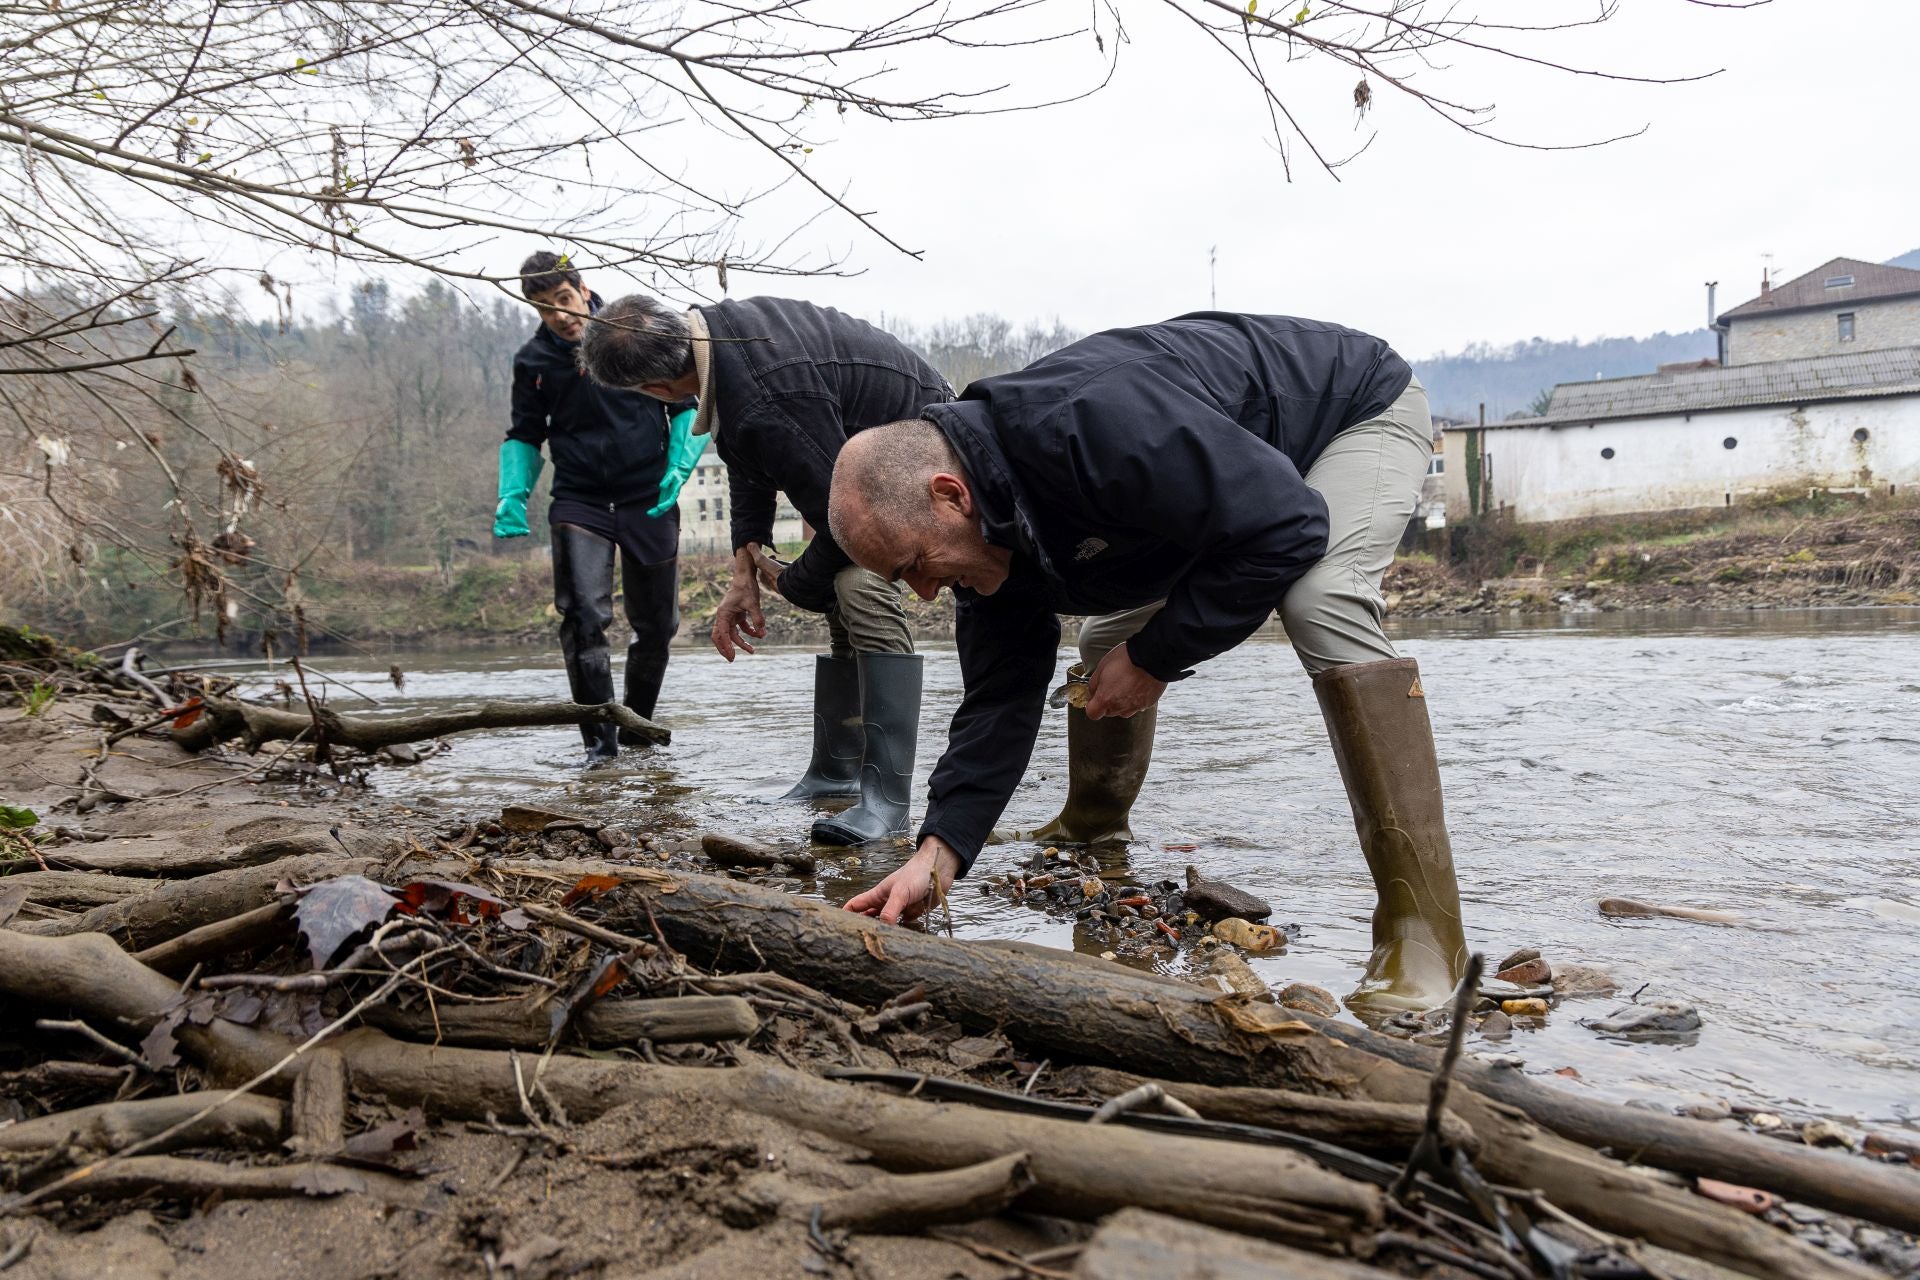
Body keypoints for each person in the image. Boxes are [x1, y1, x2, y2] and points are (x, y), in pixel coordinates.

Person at [826, 312, 1468, 1012]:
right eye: (903, 579)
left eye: (917, 564)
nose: (922, 591)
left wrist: (1157, 658)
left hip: (1348, 412)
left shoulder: (1099, 427)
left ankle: (1426, 933)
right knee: (1104, 647)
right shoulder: (986, 532)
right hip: (1234, 489)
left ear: (951, 496)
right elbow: (998, 696)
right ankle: (1095, 824)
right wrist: (937, 854)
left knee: (1320, 598)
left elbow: (1289, 528)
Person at [577, 294, 952, 844]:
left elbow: (844, 527)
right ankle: (837, 773)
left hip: (926, 457)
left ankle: (886, 802)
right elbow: (747, 462)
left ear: (656, 389)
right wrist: (743, 571)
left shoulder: (767, 393)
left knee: (856, 584)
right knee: (838, 588)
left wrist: (794, 583)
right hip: (874, 458)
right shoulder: (720, 338)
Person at [493, 252, 701, 766]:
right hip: (579, 500)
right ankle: (600, 748)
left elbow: (683, 403)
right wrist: (512, 492)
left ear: (582, 289)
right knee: (583, 617)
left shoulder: (630, 332)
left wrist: (678, 465)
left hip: (647, 496)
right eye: (544, 308)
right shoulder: (533, 362)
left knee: (657, 626)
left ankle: (637, 731)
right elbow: (523, 432)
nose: (559, 315)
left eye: (563, 299)